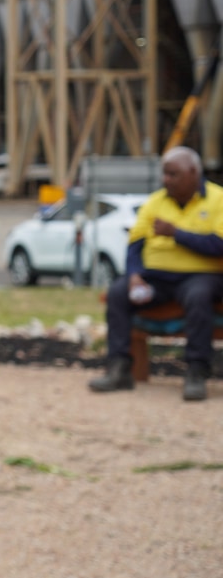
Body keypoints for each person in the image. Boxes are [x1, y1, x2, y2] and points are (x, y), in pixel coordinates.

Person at [89, 146, 222, 401]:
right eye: (165, 174)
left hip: (202, 275)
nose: (166, 180)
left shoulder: (218, 200)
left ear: (193, 173)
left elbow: (219, 244)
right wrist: (135, 275)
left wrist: (177, 234)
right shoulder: (155, 202)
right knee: (117, 292)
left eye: (173, 175)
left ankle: (196, 371)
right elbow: (135, 246)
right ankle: (119, 367)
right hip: (157, 278)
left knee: (198, 296)